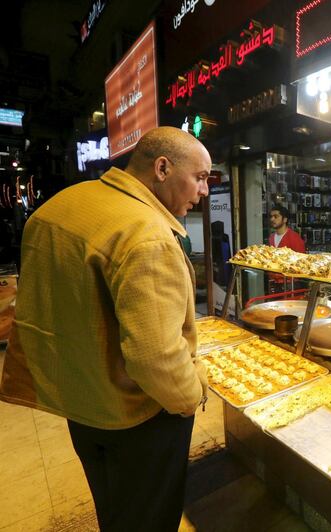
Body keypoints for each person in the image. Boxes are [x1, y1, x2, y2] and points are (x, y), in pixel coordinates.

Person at [0, 127, 211, 530]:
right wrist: (192, 394)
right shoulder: (146, 234)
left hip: (80, 403)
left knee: (114, 512)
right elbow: (156, 357)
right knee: (148, 518)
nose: (204, 190)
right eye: (200, 176)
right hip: (138, 418)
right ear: (162, 167)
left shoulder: (60, 206)